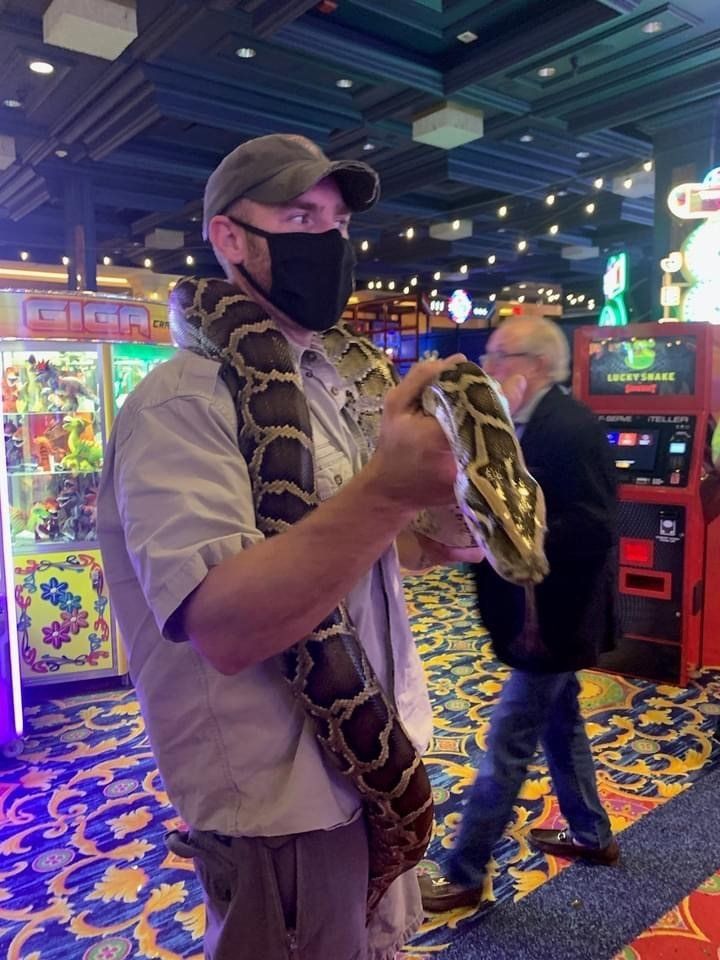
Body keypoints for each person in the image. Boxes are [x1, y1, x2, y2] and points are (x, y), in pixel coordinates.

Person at [97, 133, 483, 960]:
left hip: (368, 780)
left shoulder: (326, 387)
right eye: (300, 215)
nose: (329, 242)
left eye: (338, 223)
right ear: (230, 239)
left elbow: (381, 552)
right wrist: (385, 490)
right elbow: (228, 629)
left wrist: (449, 522)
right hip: (284, 810)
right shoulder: (179, 406)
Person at [420, 316, 620, 912]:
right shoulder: (514, 424)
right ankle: (592, 834)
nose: (488, 365)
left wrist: (520, 537)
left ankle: (465, 868)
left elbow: (599, 524)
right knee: (562, 727)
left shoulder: (573, 426)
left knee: (508, 740)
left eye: (497, 354)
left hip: (557, 617)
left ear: (533, 364)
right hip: (530, 614)